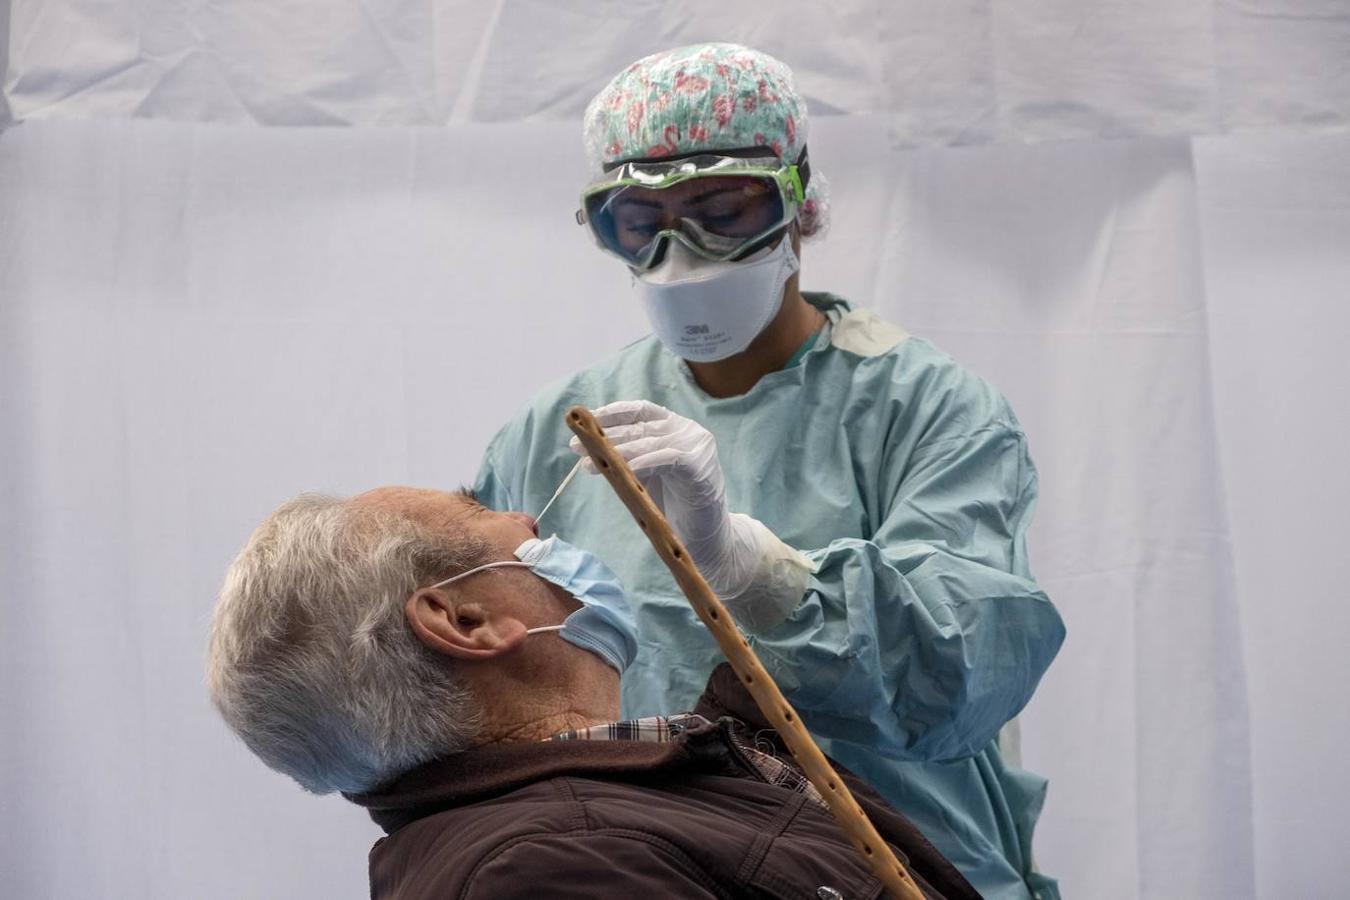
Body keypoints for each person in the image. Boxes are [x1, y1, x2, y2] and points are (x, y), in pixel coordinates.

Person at [474, 43, 1067, 899]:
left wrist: (756, 572)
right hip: (652, 866)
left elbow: (962, 681)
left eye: (723, 209)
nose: (682, 255)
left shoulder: (926, 407)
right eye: (641, 223)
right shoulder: (559, 427)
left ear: (801, 206)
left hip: (892, 859)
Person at [206, 487, 978, 899]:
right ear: (466, 622)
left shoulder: (599, 818)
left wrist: (768, 584)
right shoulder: (546, 870)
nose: (526, 517)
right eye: (480, 509)